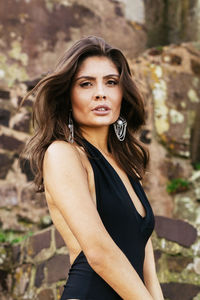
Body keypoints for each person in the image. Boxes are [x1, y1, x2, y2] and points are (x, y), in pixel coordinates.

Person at [20, 36, 164, 300]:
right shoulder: (63, 154)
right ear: (67, 95)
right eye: (86, 84)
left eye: (111, 82)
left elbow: (147, 267)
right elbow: (99, 253)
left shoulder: (127, 163)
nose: (101, 92)